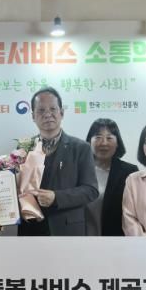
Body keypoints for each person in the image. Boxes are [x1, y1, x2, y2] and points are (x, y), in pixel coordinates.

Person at [17, 87, 98, 236]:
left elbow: (91, 191)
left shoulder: (81, 148)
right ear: (33, 116)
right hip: (31, 229)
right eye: (41, 110)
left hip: (67, 230)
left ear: (62, 112)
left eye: (53, 109)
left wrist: (56, 197)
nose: (48, 114)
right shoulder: (24, 148)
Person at [84, 118, 138, 236]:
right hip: (81, 239)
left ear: (117, 143)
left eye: (109, 138)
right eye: (98, 137)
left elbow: (136, 213)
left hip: (116, 239)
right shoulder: (78, 169)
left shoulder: (129, 172)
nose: (104, 143)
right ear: (89, 141)